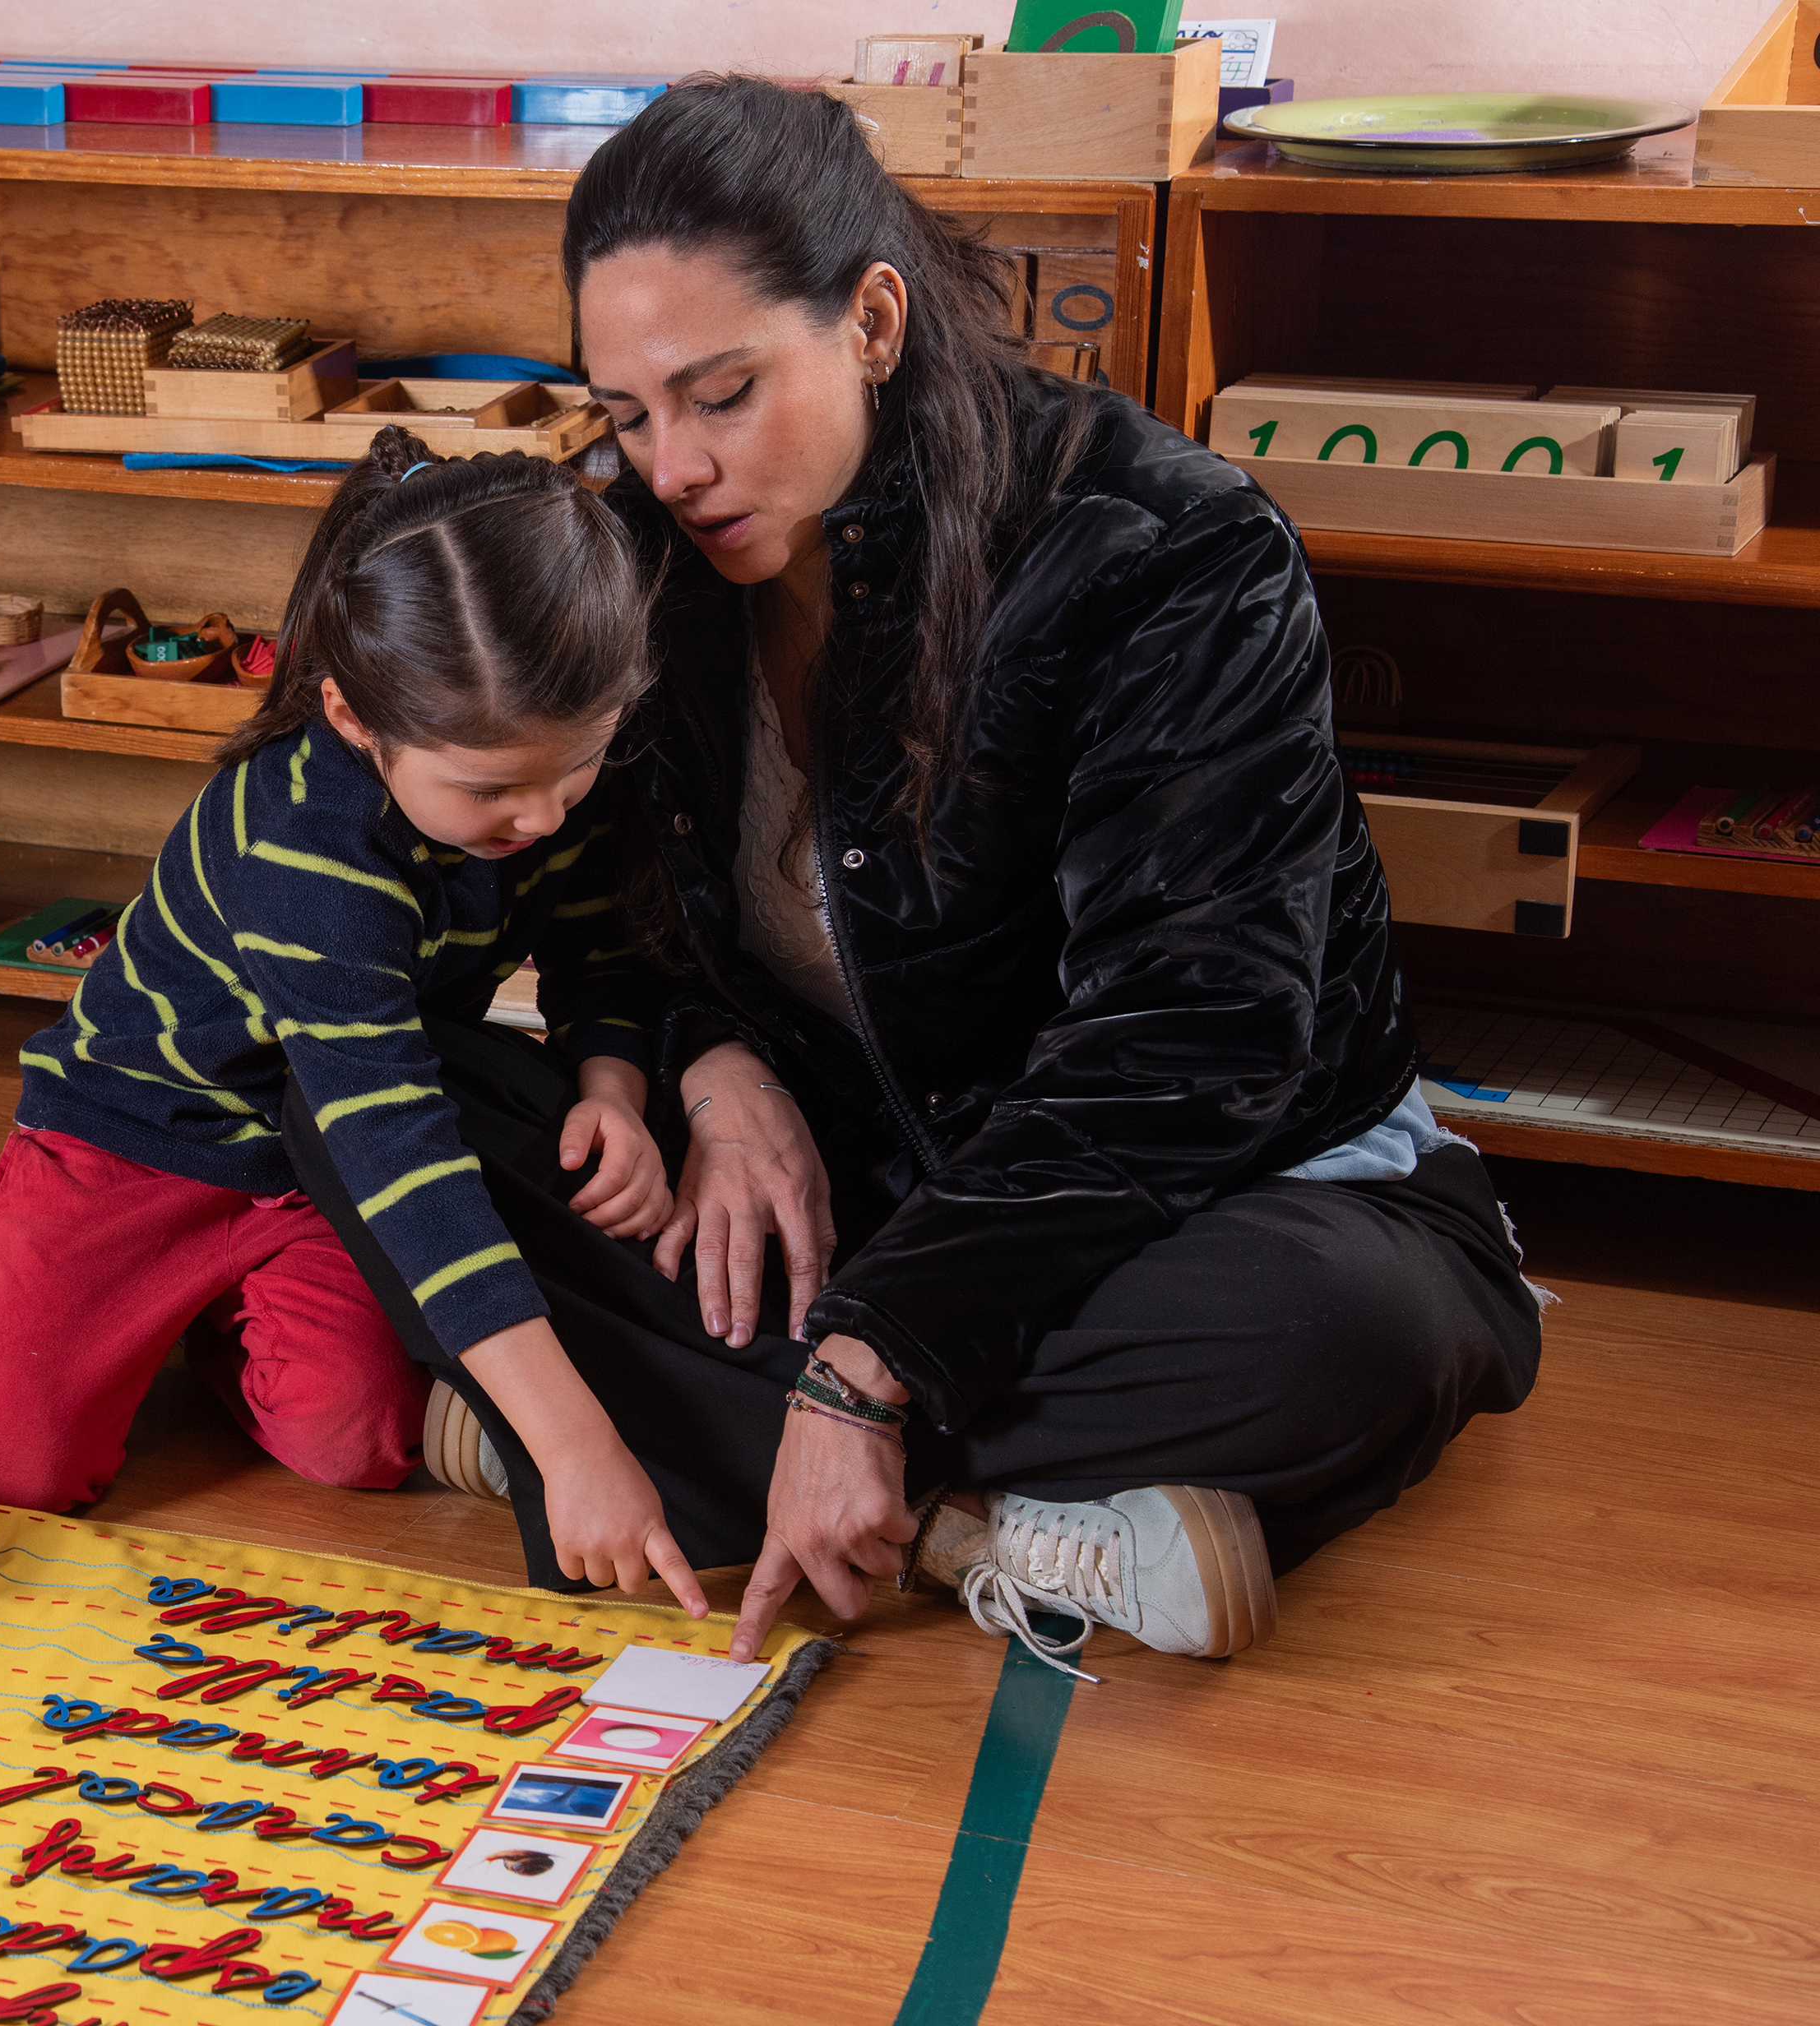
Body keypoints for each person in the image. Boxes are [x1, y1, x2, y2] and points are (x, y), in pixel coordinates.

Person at [293, 78, 1543, 1681]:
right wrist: (710, 1063)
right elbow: (614, 908)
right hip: (849, 1179)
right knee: (368, 1097)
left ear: (872, 319)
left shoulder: (1166, 550)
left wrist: (869, 1357)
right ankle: (990, 1533)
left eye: (723, 393)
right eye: (625, 412)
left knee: (1336, 1332)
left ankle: (680, 1440)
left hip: (1190, 1193)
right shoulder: (644, 556)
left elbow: (1195, 1039)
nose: (669, 465)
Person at [0, 427, 711, 1610]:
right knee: (7, 1466)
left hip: (305, 1151)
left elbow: (604, 941)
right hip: (135, 1137)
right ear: (351, 716)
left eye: (576, 769)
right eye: (491, 791)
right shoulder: (301, 848)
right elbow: (407, 1166)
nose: (541, 816)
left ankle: (191, 1323)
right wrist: (576, 1447)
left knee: (355, 1441)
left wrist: (613, 1089)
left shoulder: (543, 757)